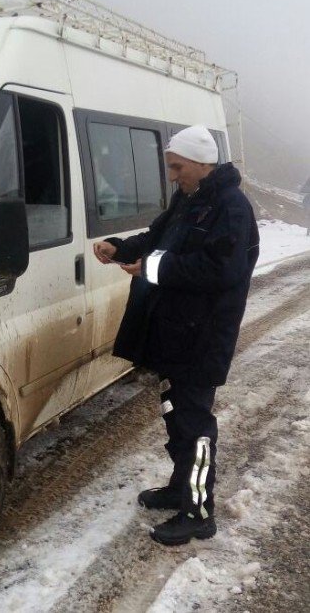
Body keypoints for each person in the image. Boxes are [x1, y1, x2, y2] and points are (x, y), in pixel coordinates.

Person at [94, 125, 259, 546]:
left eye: (177, 166)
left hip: (201, 338)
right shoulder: (190, 200)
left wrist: (151, 268)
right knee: (175, 414)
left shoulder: (230, 207)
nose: (172, 175)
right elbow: (158, 237)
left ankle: (199, 511)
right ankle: (179, 488)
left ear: (202, 163)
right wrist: (122, 247)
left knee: (195, 424)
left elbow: (221, 269)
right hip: (174, 332)